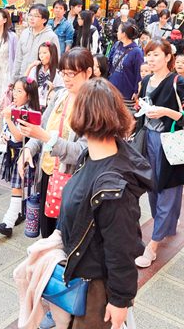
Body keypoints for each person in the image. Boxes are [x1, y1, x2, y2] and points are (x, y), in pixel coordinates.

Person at [55, 78, 152, 327]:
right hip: (83, 277)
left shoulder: (112, 186)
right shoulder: (96, 154)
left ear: (82, 116)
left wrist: (120, 301)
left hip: (96, 290)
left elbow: (122, 248)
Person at [133, 39, 184, 268]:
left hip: (170, 143)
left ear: (168, 57)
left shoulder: (178, 83)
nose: (151, 60)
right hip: (148, 142)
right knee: (153, 188)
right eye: (148, 55)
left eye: (156, 55)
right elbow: (141, 113)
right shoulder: (145, 81)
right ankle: (167, 227)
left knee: (167, 190)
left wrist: (166, 112)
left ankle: (153, 244)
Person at [17, 48, 94, 238]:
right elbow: (41, 127)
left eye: (72, 73)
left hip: (72, 181)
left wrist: (45, 138)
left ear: (89, 72)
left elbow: (82, 151)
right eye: (63, 73)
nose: (67, 78)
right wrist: (28, 149)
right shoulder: (60, 96)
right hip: (48, 174)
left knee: (67, 237)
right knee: (47, 231)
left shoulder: (93, 104)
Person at [0, 77, 41, 237]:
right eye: (15, 90)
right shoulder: (14, 106)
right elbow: (10, 132)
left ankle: (8, 223)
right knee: (18, 187)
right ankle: (19, 213)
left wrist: (8, 119)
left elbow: (20, 136)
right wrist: (4, 135)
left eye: (20, 91)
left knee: (16, 187)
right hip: (12, 152)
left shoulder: (29, 113)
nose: (15, 94)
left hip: (23, 154)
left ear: (29, 95)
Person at [13, 3, 60, 81]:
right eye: (30, 15)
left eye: (36, 16)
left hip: (41, 80)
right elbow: (18, 58)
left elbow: (56, 61)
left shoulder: (51, 36)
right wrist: (14, 80)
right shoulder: (24, 33)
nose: (31, 18)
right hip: (23, 77)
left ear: (44, 20)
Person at [107, 21, 144, 108]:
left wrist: (136, 91)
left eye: (118, 31)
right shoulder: (117, 45)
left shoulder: (136, 51)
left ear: (124, 34)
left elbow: (139, 72)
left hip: (126, 91)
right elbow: (110, 61)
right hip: (112, 86)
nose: (117, 33)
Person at [25, 41, 64, 109]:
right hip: (34, 104)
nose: (41, 56)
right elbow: (25, 83)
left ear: (52, 54)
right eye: (40, 53)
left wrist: (52, 89)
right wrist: (30, 66)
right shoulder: (35, 70)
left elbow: (61, 92)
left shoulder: (58, 74)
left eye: (44, 53)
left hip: (48, 106)